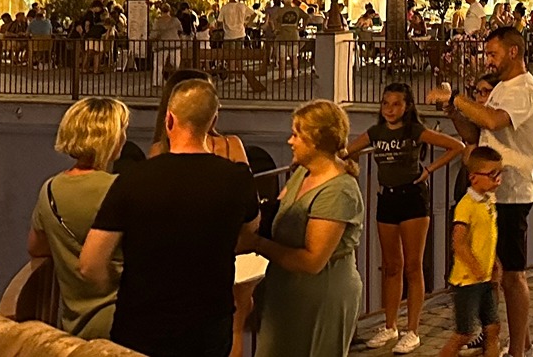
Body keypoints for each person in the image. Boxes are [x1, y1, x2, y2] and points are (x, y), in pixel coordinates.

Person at [82, 79, 260, 357]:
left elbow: (90, 263)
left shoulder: (133, 179)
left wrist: (114, 283)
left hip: (140, 327)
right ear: (213, 120)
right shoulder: (237, 179)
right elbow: (250, 232)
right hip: (209, 327)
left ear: (169, 119)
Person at [428, 27, 533, 357]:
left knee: (513, 275)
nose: (488, 61)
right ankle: (520, 342)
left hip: (511, 193)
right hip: (491, 195)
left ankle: (519, 352)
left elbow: (493, 122)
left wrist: (455, 98)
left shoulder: (524, 90)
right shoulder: (503, 89)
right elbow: (477, 135)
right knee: (495, 273)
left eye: (492, 54)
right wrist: (454, 113)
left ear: (513, 52)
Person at [348, 84, 468, 352]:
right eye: (385, 104)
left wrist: (429, 170)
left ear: (407, 107)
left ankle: (412, 330)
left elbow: (456, 146)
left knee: (413, 265)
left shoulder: (414, 130)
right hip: (387, 199)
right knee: (391, 266)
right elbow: (347, 151)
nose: (390, 109)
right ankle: (390, 325)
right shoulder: (376, 132)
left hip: (412, 198)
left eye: (396, 104)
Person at [246, 100, 366, 357]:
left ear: (316, 140)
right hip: (289, 293)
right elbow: (277, 211)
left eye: (296, 135)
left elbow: (312, 261)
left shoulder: (339, 191)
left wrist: (257, 244)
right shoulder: (303, 173)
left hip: (320, 297)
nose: (290, 141)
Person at [29, 97, 129, 339]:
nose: (124, 138)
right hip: (122, 321)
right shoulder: (121, 189)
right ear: (110, 137)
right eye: (121, 130)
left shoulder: (49, 190)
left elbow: (36, 247)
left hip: (75, 325)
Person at [440, 149, 506, 357]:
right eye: (492, 174)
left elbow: (487, 238)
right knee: (464, 333)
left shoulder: (488, 202)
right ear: (474, 177)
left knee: (493, 327)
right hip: (468, 281)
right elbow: (458, 243)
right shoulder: (466, 206)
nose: (497, 179)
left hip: (485, 278)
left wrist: (493, 262)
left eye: (499, 173)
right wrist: (476, 267)